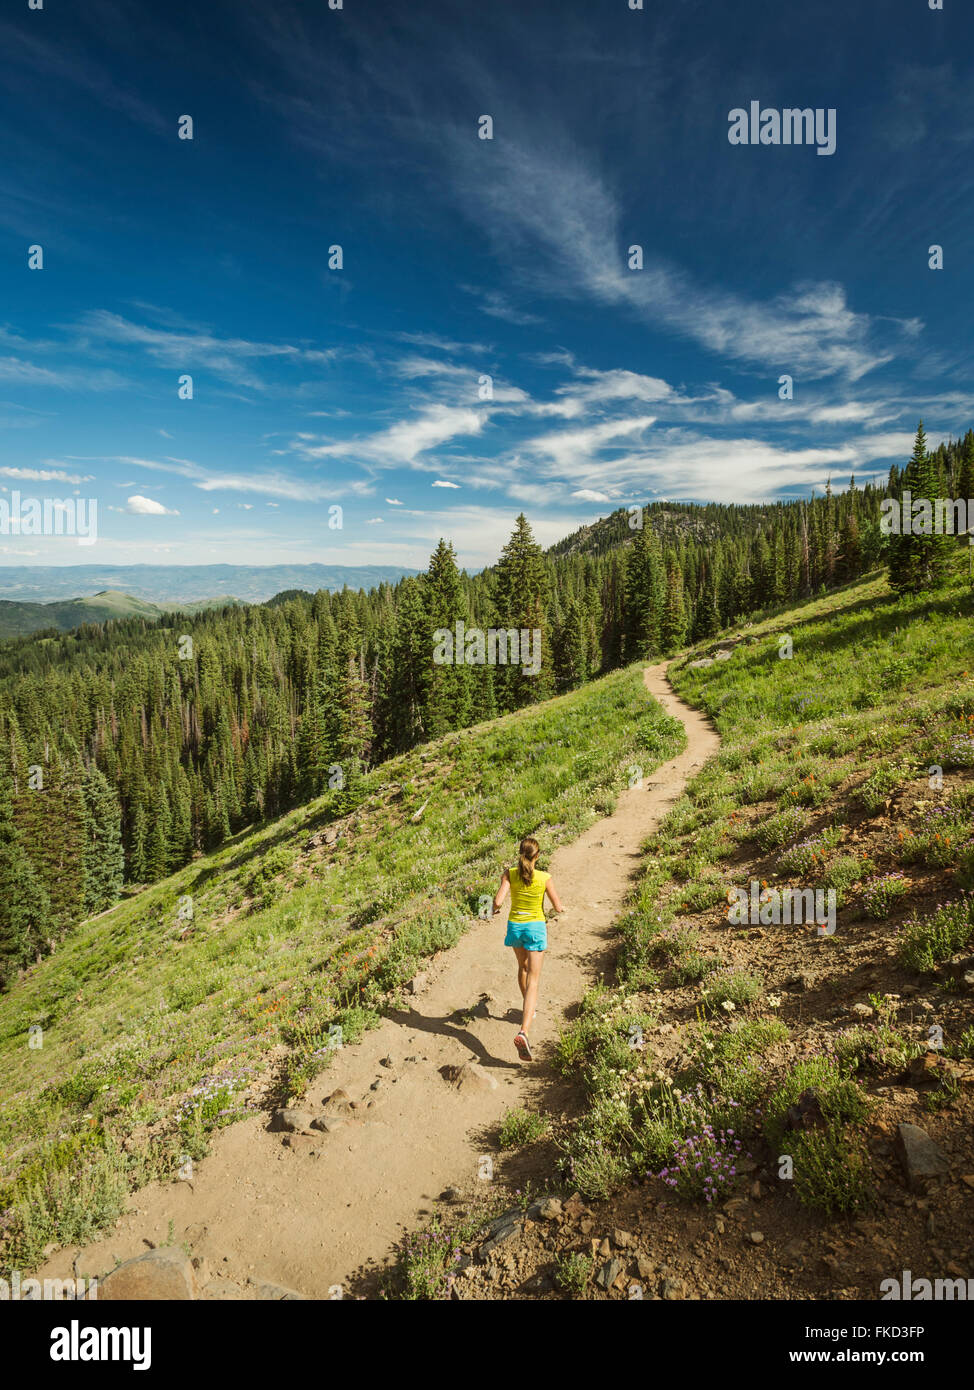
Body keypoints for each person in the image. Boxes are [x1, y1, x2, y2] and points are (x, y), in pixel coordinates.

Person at [492, 835, 563, 1061]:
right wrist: (560, 910)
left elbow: (498, 901)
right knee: (534, 979)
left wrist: (493, 910)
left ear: (520, 853)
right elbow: (558, 906)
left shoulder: (509, 874)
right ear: (537, 855)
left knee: (522, 968)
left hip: (515, 928)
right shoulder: (544, 878)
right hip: (535, 928)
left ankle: (528, 1009)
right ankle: (524, 1030)